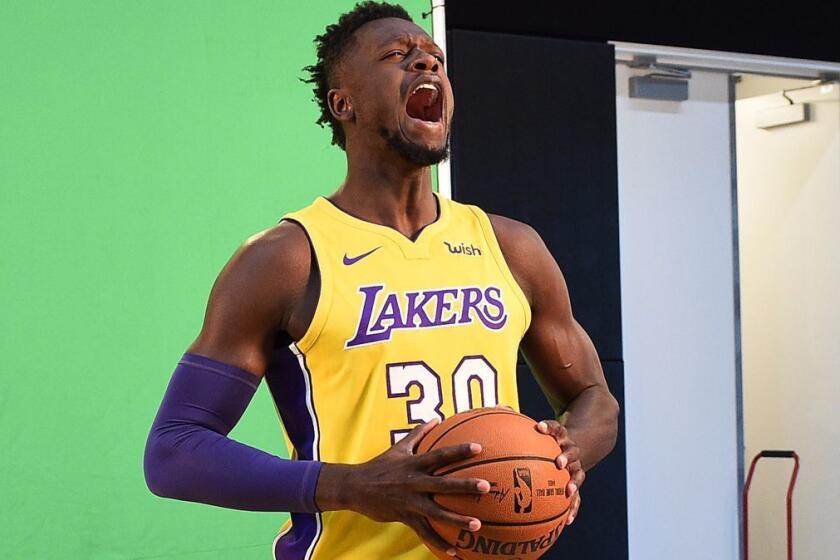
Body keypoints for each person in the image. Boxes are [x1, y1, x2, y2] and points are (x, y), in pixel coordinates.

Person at [143, 2, 620, 559]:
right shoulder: (288, 259)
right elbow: (174, 451)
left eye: (435, 59)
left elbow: (595, 399)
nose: (426, 65)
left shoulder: (511, 247)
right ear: (342, 102)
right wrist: (353, 485)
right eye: (398, 56)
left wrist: (569, 450)